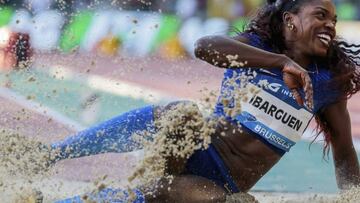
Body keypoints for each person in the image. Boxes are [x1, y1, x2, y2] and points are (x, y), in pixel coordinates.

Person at [51, 0, 360, 202]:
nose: (331, 25)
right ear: (290, 20)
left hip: (222, 186)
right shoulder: (257, 49)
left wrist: (353, 196)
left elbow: (345, 151)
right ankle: (52, 154)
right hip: (190, 152)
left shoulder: (327, 81)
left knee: (177, 194)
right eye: (321, 15)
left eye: (333, 19)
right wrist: (279, 63)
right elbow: (205, 46)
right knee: (181, 112)